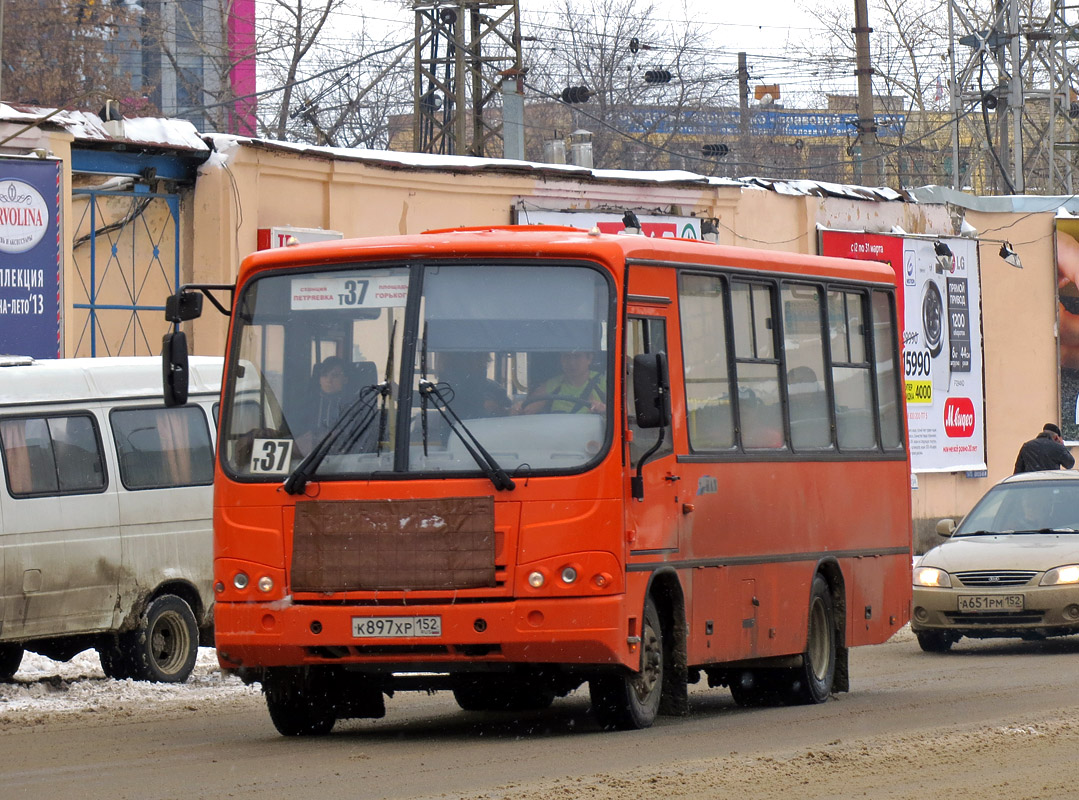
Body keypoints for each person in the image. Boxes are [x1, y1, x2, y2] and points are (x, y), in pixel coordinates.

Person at [516, 351, 607, 414]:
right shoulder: (553, 384)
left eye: (577, 356)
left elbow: (619, 411)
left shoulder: (604, 382)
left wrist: (604, 409)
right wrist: (518, 408)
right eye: (567, 356)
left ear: (589, 359)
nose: (571, 362)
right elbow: (528, 409)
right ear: (561, 359)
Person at [435, 351, 510, 419]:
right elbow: (434, 402)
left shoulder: (494, 388)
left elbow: (509, 408)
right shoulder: (449, 386)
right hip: (454, 431)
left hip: (490, 431)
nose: (484, 365)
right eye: (480, 362)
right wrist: (482, 404)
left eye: (484, 362)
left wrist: (506, 409)